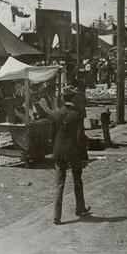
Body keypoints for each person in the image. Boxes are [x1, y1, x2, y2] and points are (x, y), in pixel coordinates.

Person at [51, 86, 90, 225]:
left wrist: (54, 150)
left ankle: (56, 216)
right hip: (74, 152)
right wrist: (84, 155)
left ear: (63, 99)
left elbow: (52, 135)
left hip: (59, 151)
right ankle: (80, 208)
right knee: (77, 180)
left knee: (59, 184)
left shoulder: (55, 114)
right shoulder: (77, 115)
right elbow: (80, 137)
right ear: (73, 98)